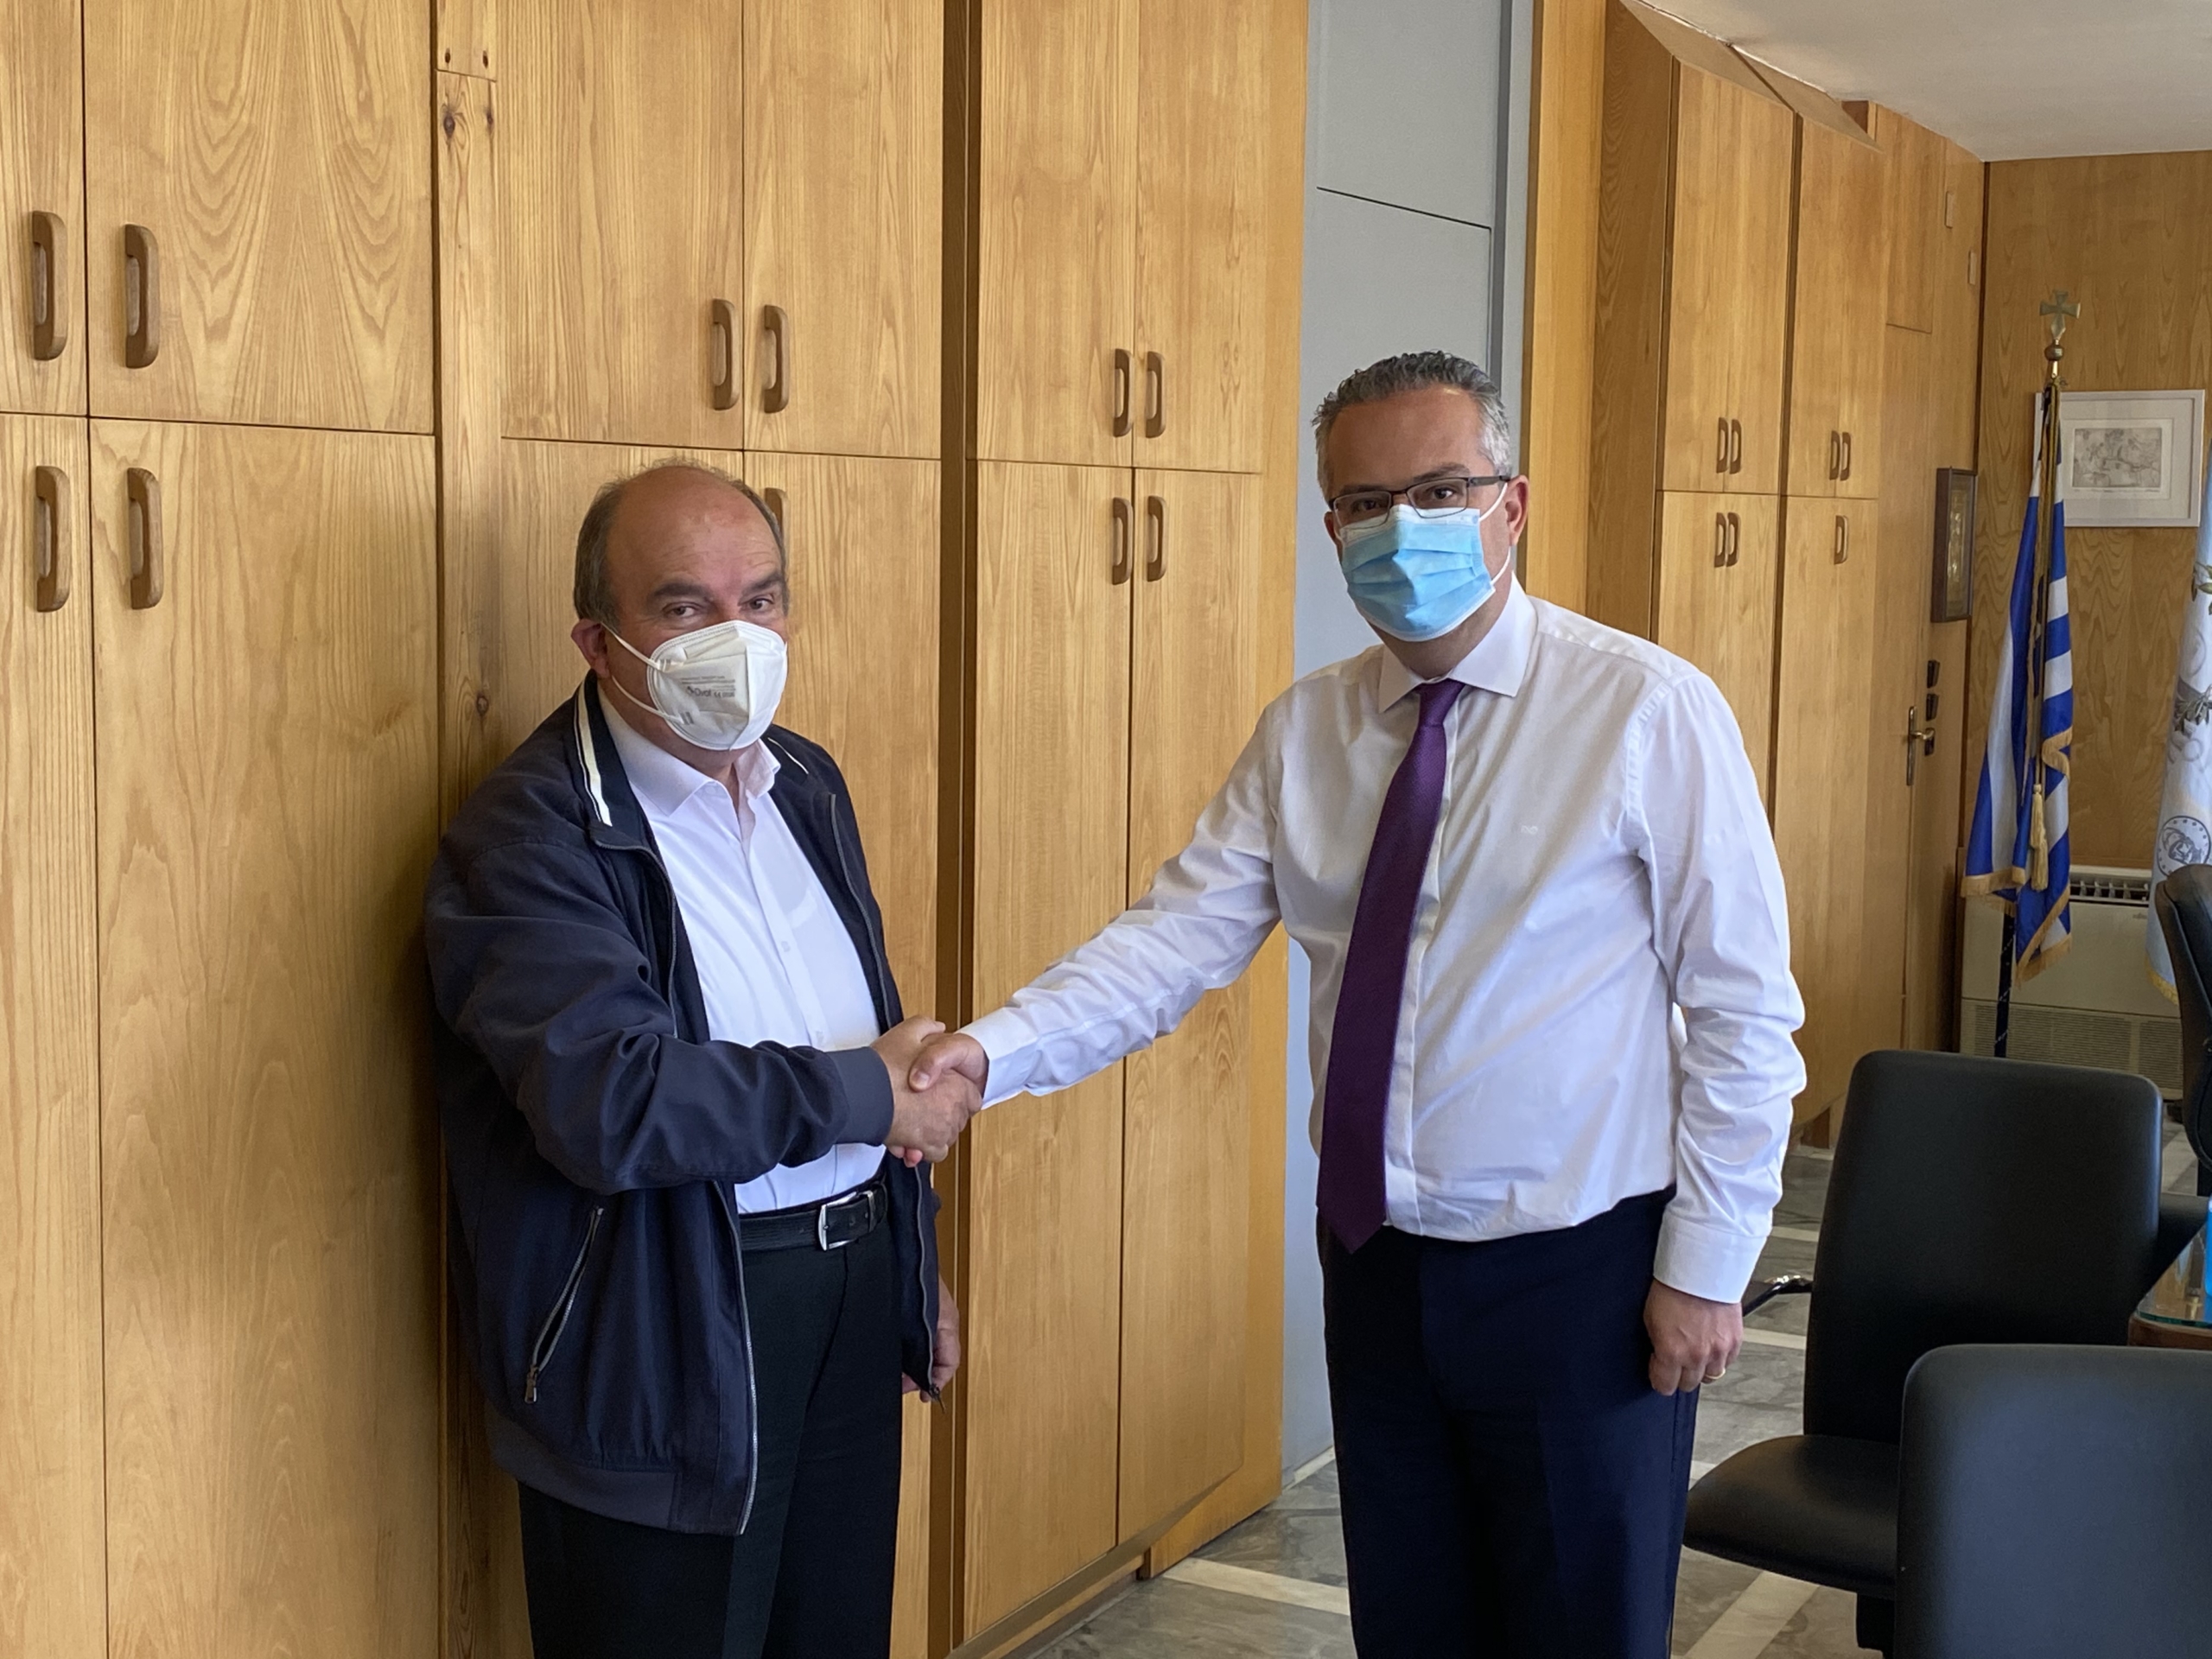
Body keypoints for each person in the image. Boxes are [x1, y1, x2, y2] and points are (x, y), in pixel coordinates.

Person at [911, 352, 1806, 1657]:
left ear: (1511, 506)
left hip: (1582, 1280)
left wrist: (1708, 1266)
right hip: (1379, 1270)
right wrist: (987, 1054)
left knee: (1582, 1629)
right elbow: (1173, 943)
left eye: (1440, 491)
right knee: (1410, 1622)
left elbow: (1742, 1012)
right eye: (1367, 503)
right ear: (1332, 530)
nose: (1402, 529)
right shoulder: (1306, 733)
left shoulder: (1645, 711)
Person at [425, 462, 976, 1659]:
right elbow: (610, 1099)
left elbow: (862, 1024)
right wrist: (865, 1095)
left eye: (760, 599)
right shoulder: (528, 833)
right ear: (598, 640)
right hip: (664, 1323)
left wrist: (909, 1255)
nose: (737, 634)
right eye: (686, 607)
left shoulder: (805, 781)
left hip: (845, 1290)